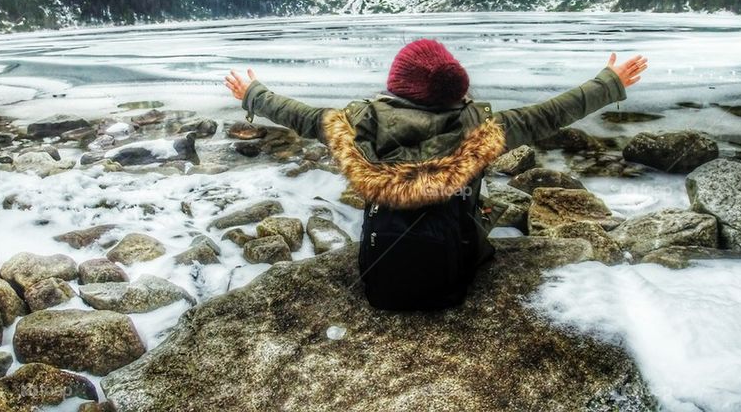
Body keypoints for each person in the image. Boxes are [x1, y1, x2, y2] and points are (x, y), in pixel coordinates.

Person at [225, 38, 646, 309]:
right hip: (455, 261)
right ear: (456, 91)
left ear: (397, 88)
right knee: (479, 210)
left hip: (383, 262)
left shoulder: (355, 124)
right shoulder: (480, 128)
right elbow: (550, 114)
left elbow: (297, 115)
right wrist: (608, 83)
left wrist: (253, 94)